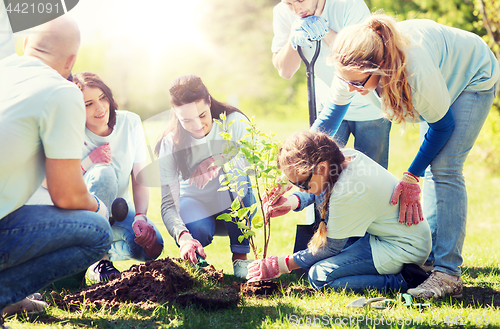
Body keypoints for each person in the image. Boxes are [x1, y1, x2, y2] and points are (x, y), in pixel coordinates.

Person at [311, 13, 499, 298]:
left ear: (381, 69)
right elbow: (330, 118)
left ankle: (448, 274)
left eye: (359, 84)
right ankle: (429, 260)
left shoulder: (415, 71)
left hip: (471, 75)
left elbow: (442, 125)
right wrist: (297, 160)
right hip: (439, 77)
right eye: (346, 81)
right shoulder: (350, 65)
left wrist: (412, 175)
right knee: (436, 163)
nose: (351, 89)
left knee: (445, 167)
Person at [0, 16, 112, 323]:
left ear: (26, 44)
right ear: (71, 61)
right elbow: (66, 194)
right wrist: (100, 207)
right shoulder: (61, 92)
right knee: (97, 232)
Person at [247, 131, 431, 293]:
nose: (300, 189)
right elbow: (318, 188)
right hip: (391, 237)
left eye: (301, 184)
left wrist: (280, 265)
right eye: (295, 184)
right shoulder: (343, 159)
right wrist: (290, 201)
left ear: (321, 168)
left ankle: (404, 280)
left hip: (403, 248)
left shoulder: (347, 189)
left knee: (320, 276)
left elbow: (330, 248)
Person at [27, 72, 164, 282]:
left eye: (102, 97)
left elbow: (138, 178)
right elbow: (47, 181)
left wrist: (141, 217)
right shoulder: (69, 131)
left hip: (115, 215)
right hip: (81, 216)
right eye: (88, 103)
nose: (100, 108)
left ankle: (89, 257)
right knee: (104, 173)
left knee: (152, 247)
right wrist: (89, 161)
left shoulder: (131, 122)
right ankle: (101, 259)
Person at [156, 74, 256, 278]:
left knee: (234, 174)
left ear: (209, 102)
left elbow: (253, 165)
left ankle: (240, 260)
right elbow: (168, 204)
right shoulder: (171, 142)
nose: (197, 126)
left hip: (235, 204)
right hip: (195, 205)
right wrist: (183, 237)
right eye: (187, 120)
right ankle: (198, 263)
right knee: (196, 230)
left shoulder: (233, 122)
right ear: (175, 114)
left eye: (202, 115)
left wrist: (218, 161)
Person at [272, 0, 391, 169]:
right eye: (289, 3)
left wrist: (324, 30)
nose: (296, 9)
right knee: (326, 174)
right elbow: (285, 71)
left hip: (369, 105)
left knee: (372, 173)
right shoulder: (283, 13)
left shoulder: (349, 4)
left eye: (300, 0)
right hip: (329, 103)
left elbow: (361, 58)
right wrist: (293, 39)